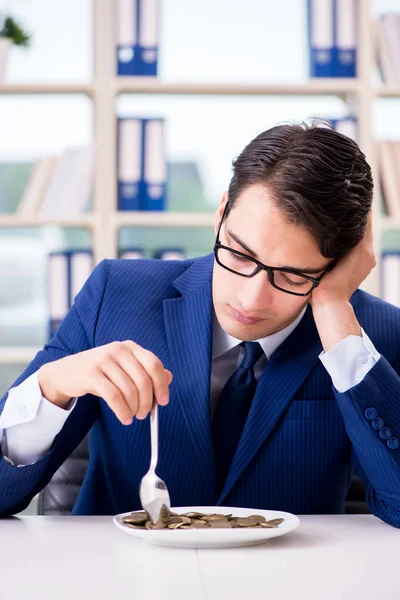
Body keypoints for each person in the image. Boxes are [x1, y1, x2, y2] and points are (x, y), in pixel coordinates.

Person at [1, 121, 400, 527]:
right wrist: (51, 386)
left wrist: (333, 309)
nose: (251, 298)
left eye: (294, 277)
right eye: (240, 255)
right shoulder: (114, 295)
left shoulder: (371, 337)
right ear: (221, 212)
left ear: (338, 266)